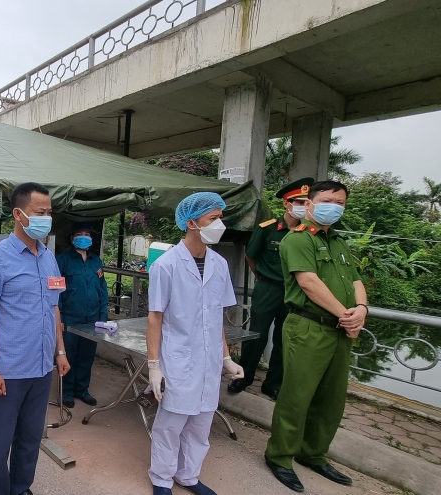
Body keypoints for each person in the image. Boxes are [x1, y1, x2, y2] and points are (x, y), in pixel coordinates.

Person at [265, 180, 367, 492]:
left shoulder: (339, 242)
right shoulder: (298, 239)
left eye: (340, 202)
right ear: (309, 204)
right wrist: (347, 315)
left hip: (340, 330)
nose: (334, 207)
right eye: (327, 200)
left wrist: (361, 309)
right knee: (297, 396)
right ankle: (280, 456)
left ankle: (313, 453)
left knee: (331, 398)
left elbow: (356, 280)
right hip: (309, 327)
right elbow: (308, 282)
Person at [0, 182, 70, 495]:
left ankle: (20, 488)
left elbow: (53, 308)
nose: (46, 218)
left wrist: (60, 351)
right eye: (39, 212)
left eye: (49, 212)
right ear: (18, 214)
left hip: (41, 367)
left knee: (30, 438)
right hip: (9, 369)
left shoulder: (49, 258)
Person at [146, 192, 244, 495]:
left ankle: (188, 476)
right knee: (170, 425)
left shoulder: (219, 264)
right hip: (178, 358)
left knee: (201, 424)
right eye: (213, 218)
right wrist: (154, 366)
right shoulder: (166, 265)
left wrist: (226, 358)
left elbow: (216, 318)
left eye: (220, 217)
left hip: (209, 361)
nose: (220, 224)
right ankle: (162, 479)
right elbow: (155, 318)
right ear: (191, 223)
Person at [228, 177, 314, 400]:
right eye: (299, 202)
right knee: (256, 335)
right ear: (286, 203)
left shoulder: (307, 232)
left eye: (306, 202)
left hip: (294, 292)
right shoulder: (268, 229)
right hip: (268, 288)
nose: (303, 206)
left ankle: (273, 384)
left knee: (285, 339)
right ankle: (243, 377)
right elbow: (251, 256)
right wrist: (261, 276)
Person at [57, 222, 109, 408]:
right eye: (79, 234)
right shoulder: (62, 260)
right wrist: (60, 318)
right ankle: (67, 391)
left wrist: (103, 314)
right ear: (72, 238)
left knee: (87, 355)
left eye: (87, 234)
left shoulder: (96, 261)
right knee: (69, 355)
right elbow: (56, 291)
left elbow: (102, 288)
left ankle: (82, 389)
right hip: (70, 318)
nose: (84, 237)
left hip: (93, 319)